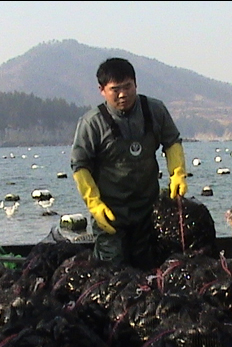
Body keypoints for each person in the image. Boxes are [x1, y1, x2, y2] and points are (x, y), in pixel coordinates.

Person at [70, 57, 188, 271]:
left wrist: (178, 173)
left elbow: (172, 142)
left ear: (136, 84)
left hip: (148, 210)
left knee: (149, 268)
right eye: (115, 89)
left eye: (128, 87)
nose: (123, 94)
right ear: (102, 90)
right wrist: (94, 204)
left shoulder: (155, 110)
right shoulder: (92, 123)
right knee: (112, 270)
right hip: (111, 212)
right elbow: (80, 166)